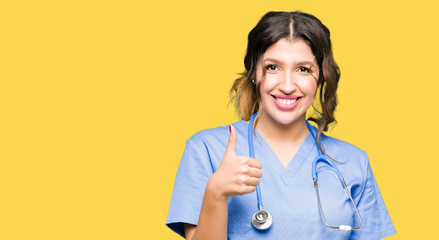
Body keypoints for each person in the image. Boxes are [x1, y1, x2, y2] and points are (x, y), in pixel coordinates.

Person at [166, 11, 396, 240]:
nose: (287, 86)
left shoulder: (353, 162)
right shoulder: (206, 149)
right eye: (272, 67)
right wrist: (216, 193)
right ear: (254, 72)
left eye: (303, 69)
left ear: (321, 78)